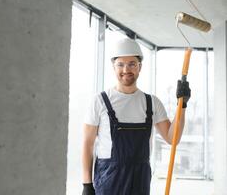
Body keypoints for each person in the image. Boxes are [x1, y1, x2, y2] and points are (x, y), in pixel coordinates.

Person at [81, 38, 191, 195]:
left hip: (140, 181)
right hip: (108, 180)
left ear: (140, 67)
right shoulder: (99, 101)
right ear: (114, 67)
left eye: (132, 64)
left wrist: (183, 105)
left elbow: (172, 138)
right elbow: (87, 144)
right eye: (120, 64)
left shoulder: (152, 103)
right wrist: (87, 184)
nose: (126, 69)